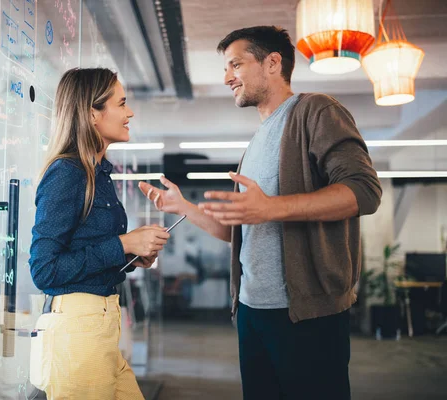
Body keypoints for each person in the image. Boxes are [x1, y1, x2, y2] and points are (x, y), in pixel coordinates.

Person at [138, 26, 382, 400]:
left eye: (235, 64)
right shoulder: (255, 143)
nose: (226, 77)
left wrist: (272, 207)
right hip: (252, 310)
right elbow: (238, 231)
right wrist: (182, 207)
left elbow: (364, 190)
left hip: (306, 314)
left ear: (272, 63)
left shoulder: (315, 111)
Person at [29, 67, 169, 399]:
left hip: (103, 323)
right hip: (78, 330)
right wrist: (121, 244)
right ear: (93, 114)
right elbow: (45, 270)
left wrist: (133, 255)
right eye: (121, 104)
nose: (129, 112)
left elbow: (90, 252)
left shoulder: (99, 174)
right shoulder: (67, 173)